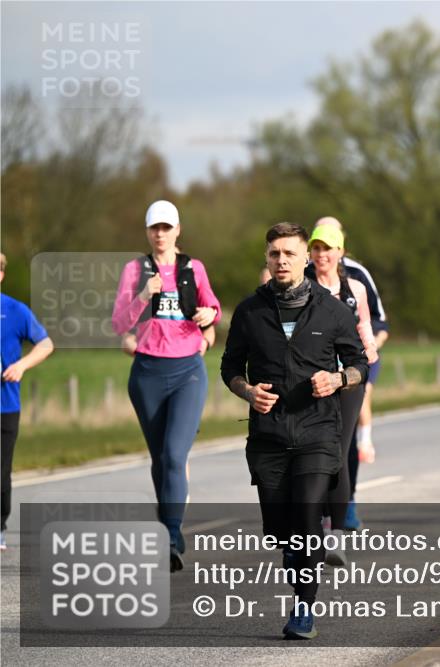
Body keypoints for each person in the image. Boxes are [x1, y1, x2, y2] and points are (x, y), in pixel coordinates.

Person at [221, 222, 368, 639]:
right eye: (274, 254)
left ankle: (304, 607)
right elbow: (229, 367)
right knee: (279, 531)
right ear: (266, 259)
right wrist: (248, 392)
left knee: (307, 516)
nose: (281, 260)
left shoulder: (332, 310)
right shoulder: (250, 312)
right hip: (268, 436)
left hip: (317, 432)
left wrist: (337, 380)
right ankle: (298, 560)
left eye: (289, 253)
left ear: (305, 258)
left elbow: (359, 363)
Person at [111, 200, 221, 572]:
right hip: (147, 372)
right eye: (154, 228)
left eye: (166, 227)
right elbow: (119, 323)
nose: (160, 234)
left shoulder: (193, 268)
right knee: (160, 458)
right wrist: (144, 294)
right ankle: (168, 528)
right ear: (147, 231)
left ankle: (171, 535)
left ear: (177, 230)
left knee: (175, 455)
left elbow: (213, 308)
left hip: (188, 370)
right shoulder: (135, 270)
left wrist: (208, 315)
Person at [306, 223, 379, 566]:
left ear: (340, 252)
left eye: (328, 248)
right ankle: (314, 526)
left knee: (337, 451)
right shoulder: (302, 286)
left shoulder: (355, 288)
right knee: (312, 453)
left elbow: (365, 327)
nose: (322, 255)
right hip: (310, 381)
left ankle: (333, 534)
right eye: (316, 248)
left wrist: (367, 355)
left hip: (348, 381)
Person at [1, 253, 55, 550]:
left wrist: (21, 366)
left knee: (1, 471)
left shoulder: (15, 310)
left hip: (5, 405)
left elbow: (46, 344)